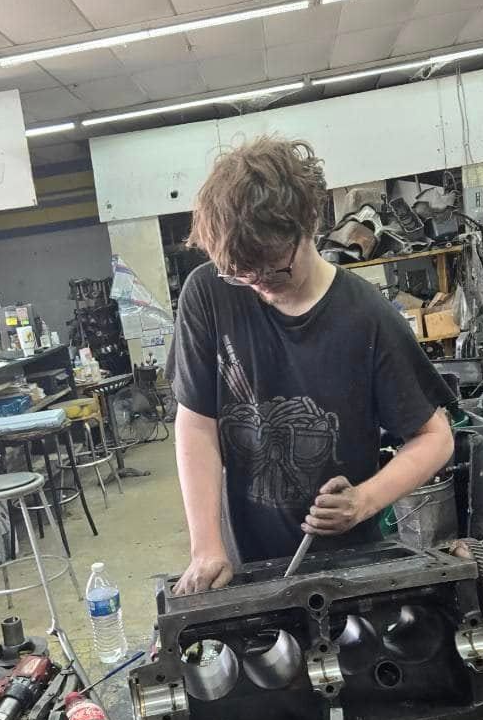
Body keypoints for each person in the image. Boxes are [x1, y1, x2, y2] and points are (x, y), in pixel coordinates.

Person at [168, 136, 456, 595]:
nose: (258, 285)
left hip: (348, 567)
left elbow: (435, 438)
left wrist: (364, 500)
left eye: (273, 269)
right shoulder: (209, 293)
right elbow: (197, 421)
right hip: (243, 561)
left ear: (309, 223)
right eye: (241, 274)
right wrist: (206, 546)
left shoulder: (367, 317)